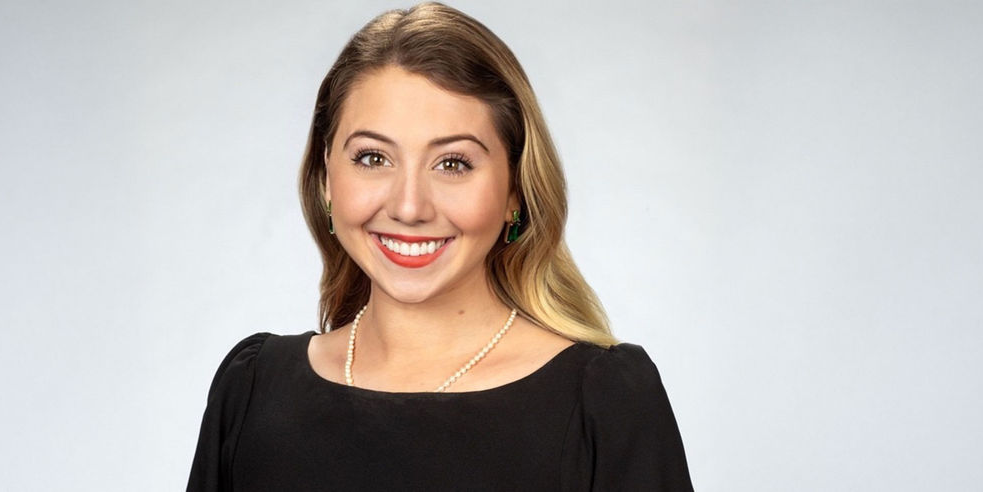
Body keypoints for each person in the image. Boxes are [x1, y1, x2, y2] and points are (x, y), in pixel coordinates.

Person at [186, 2, 693, 490]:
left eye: (453, 164)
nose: (409, 207)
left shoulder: (606, 401)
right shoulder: (251, 389)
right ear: (325, 179)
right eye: (372, 158)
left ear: (515, 191)